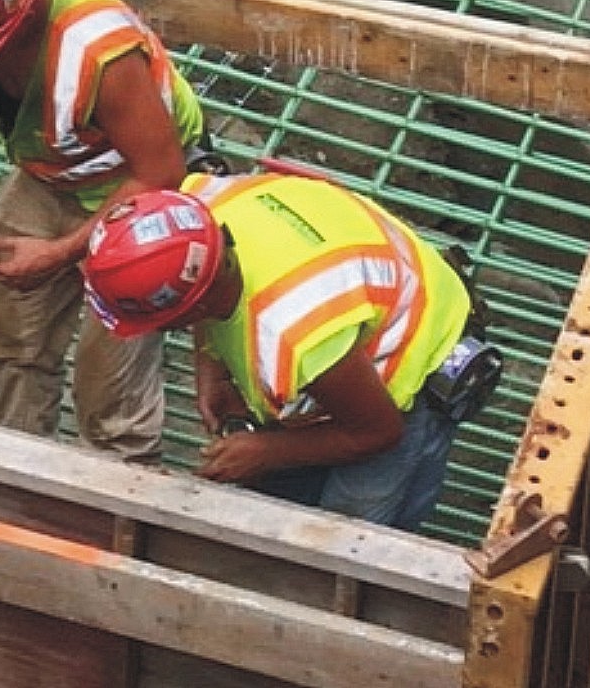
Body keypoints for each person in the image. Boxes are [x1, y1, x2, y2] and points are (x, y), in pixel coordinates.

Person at [0, 0, 202, 458]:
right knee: (7, 338)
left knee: (109, 391)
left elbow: (160, 172)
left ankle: (117, 494)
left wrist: (60, 254)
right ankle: (19, 467)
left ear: (23, 17)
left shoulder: (101, 52)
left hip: (139, 191)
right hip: (53, 171)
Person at [78, 174, 490, 533]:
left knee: (350, 537)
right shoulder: (204, 206)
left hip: (412, 365)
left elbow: (377, 432)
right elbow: (207, 281)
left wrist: (265, 452)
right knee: (283, 494)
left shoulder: (295, 332)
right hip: (360, 298)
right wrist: (215, 369)